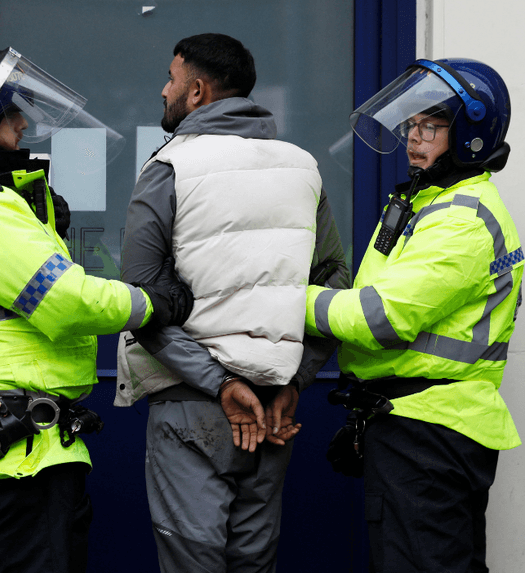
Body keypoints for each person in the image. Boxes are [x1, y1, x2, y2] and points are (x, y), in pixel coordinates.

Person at [0, 43, 193, 573]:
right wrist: (154, 302)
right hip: (18, 456)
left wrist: (41, 224)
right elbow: (66, 302)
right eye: (9, 112)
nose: (21, 122)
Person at [115, 33, 350, 572]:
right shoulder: (302, 167)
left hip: (191, 403)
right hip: (271, 405)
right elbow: (332, 283)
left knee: (193, 561)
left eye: (171, 79)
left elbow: (141, 299)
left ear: (197, 91)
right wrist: (296, 380)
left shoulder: (170, 166)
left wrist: (220, 384)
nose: (164, 90)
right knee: (254, 561)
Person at [306, 58, 523, 572]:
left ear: (469, 136)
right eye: (411, 124)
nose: (413, 138)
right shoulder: (430, 204)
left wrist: (286, 300)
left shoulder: (461, 220)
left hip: (427, 433)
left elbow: (377, 317)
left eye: (432, 126)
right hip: (418, 424)